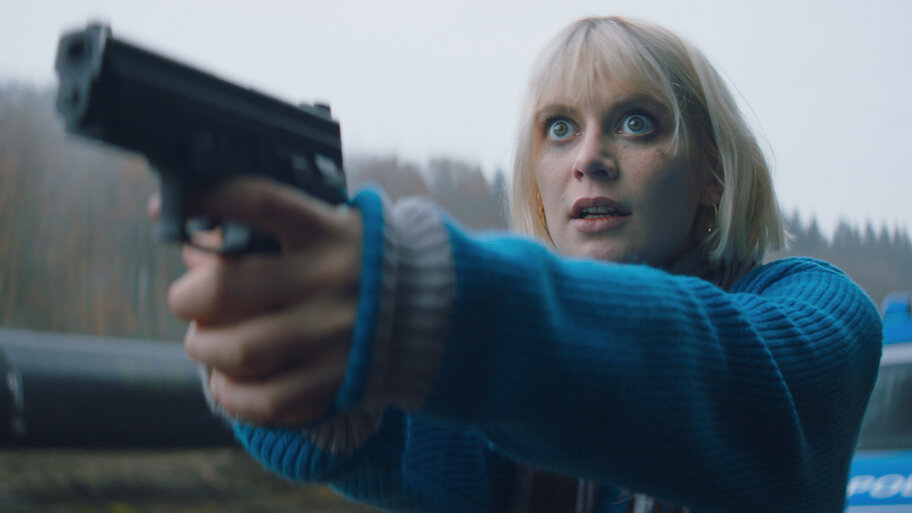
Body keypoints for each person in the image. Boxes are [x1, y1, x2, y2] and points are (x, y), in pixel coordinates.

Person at [163, 16, 883, 513]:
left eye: (637, 123)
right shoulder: (504, 408)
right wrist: (291, 365)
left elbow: (708, 368)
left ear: (713, 177)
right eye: (559, 128)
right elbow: (393, 439)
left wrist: (421, 300)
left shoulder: (821, 312)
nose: (589, 157)